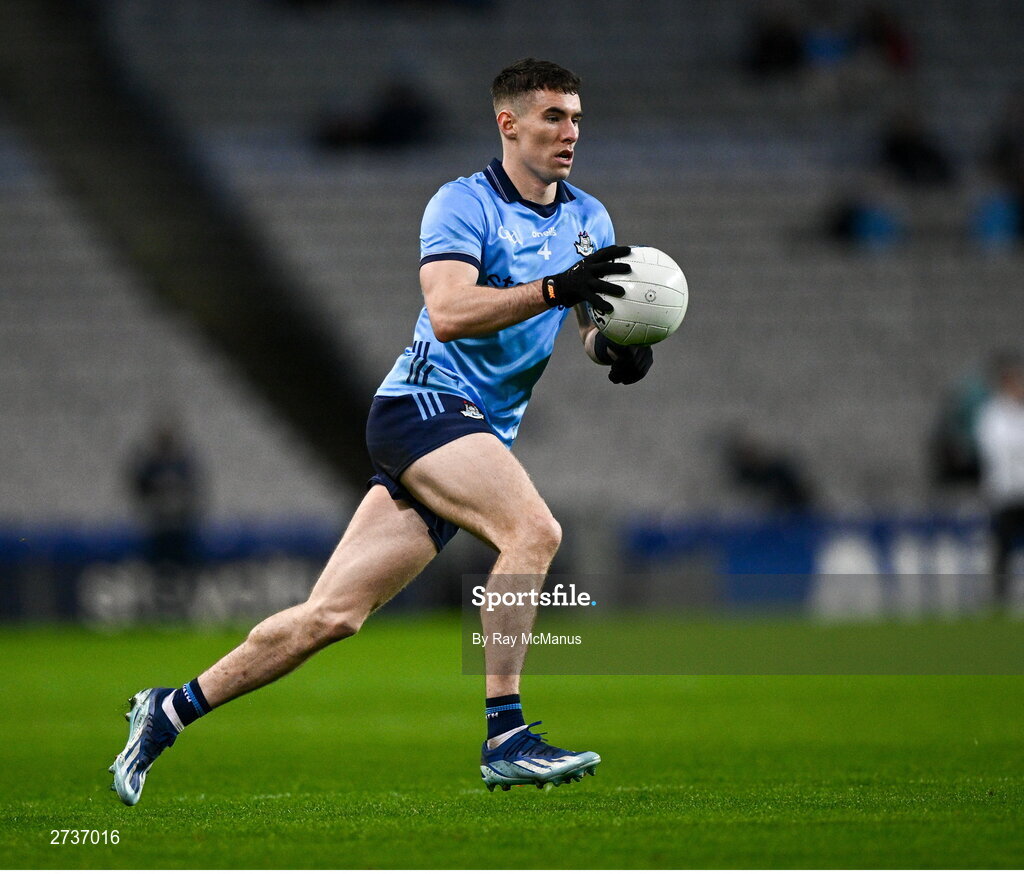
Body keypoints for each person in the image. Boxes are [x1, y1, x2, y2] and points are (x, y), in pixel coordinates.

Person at [109, 58, 654, 804]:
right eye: (554, 117)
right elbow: (454, 311)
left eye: (577, 118)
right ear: (509, 124)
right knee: (535, 531)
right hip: (424, 404)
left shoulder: (591, 219)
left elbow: (587, 325)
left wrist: (616, 349)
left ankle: (166, 711)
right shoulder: (460, 205)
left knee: (330, 617)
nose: (571, 133)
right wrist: (559, 288)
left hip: (474, 427)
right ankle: (506, 737)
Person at [975, 351, 1024, 608]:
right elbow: (995, 449)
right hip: (1005, 493)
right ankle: (1000, 598)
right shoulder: (992, 414)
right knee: (1003, 550)